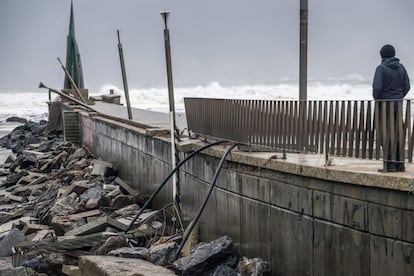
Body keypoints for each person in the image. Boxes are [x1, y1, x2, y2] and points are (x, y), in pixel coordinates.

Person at [373, 44, 410, 172]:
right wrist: (398, 97)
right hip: (398, 106)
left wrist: (379, 99)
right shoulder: (401, 68)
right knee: (398, 134)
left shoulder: (381, 69)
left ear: (382, 56)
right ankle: (400, 164)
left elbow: (377, 89)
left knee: (385, 134)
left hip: (384, 107)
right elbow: (407, 86)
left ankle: (389, 164)